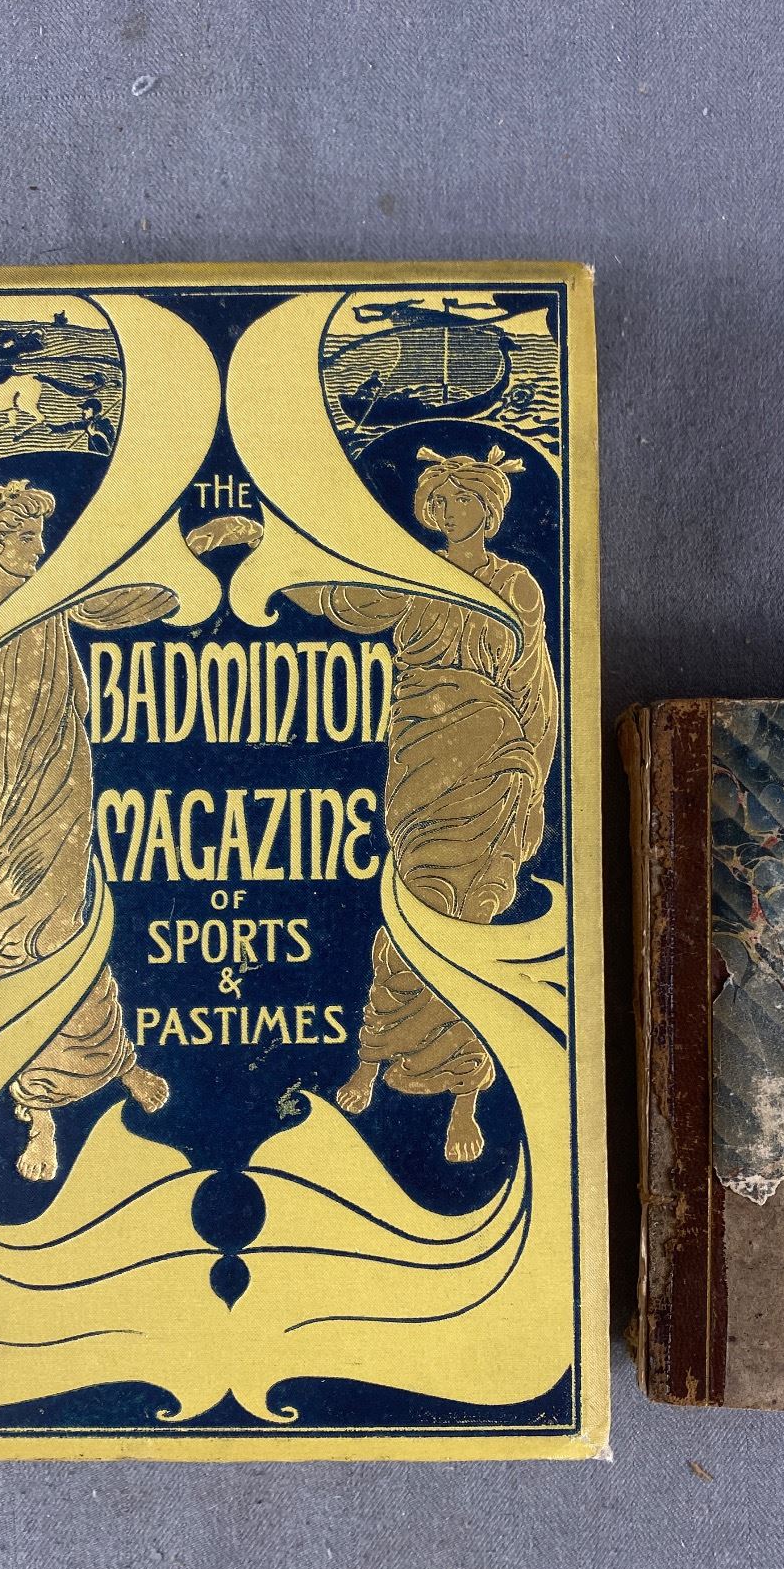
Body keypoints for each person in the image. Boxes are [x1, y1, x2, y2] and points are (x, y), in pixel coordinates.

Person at [0, 478, 191, 1181]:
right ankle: (40, 1111)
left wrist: (193, 552)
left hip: (59, 791)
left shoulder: (55, 598)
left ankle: (113, 1059)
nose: (40, 547)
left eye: (39, 536)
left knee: (66, 930)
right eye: (27, 537)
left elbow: (122, 595)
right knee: (14, 945)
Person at [292, 445, 557, 1162]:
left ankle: (464, 1090)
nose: (450, 512)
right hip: (420, 756)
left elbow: (534, 684)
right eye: (441, 501)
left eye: (464, 500)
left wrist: (532, 782)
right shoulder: (410, 574)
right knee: (415, 906)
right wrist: (275, 564)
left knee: (471, 918)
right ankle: (378, 1053)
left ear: (489, 510)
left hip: (493, 755)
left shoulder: (518, 584)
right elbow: (344, 601)